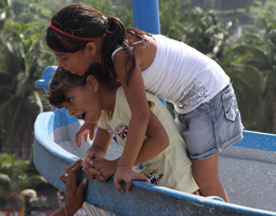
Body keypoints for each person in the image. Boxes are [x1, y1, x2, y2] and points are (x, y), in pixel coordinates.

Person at [45, 3, 243, 201]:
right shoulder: (107, 61)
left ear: (89, 48)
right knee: (195, 174)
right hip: (189, 101)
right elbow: (103, 99)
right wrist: (91, 122)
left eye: (63, 58)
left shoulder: (121, 56)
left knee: (204, 179)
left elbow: (141, 115)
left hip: (208, 93)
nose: (61, 65)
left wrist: (121, 166)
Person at [48, 65, 199, 195]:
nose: (70, 112)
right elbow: (99, 147)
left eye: (70, 100)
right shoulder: (107, 112)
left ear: (92, 83)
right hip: (158, 190)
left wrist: (115, 166)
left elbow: (161, 141)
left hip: (179, 188)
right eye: (66, 108)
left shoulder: (126, 100)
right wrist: (90, 160)